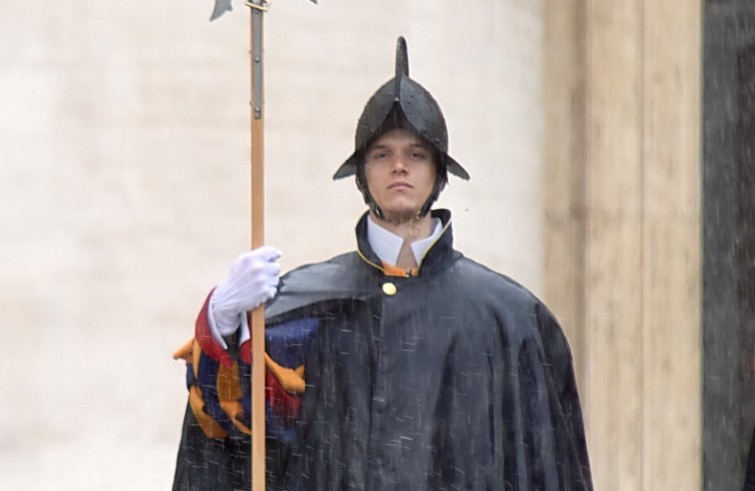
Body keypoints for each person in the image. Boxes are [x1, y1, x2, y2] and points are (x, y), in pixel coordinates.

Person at [171, 36, 593, 490]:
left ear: (438, 172)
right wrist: (223, 322)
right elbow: (236, 423)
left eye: (415, 154)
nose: (399, 167)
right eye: (382, 154)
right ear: (362, 173)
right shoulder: (306, 307)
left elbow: (549, 471)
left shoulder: (510, 321)